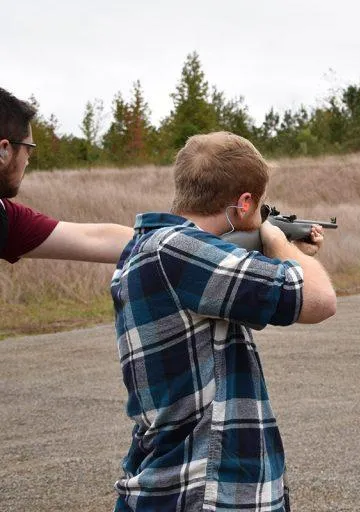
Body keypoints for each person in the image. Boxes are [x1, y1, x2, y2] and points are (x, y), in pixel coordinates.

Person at [111, 131, 336, 511]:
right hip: (206, 490)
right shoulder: (178, 250)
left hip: (186, 485)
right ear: (244, 203)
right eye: (259, 207)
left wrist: (284, 251)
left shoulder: (153, 246)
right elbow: (320, 300)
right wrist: (278, 242)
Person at [0, 87, 133, 264]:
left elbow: (94, 238)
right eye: (28, 149)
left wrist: (170, 239)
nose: (27, 161)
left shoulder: (6, 218)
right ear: (4, 150)